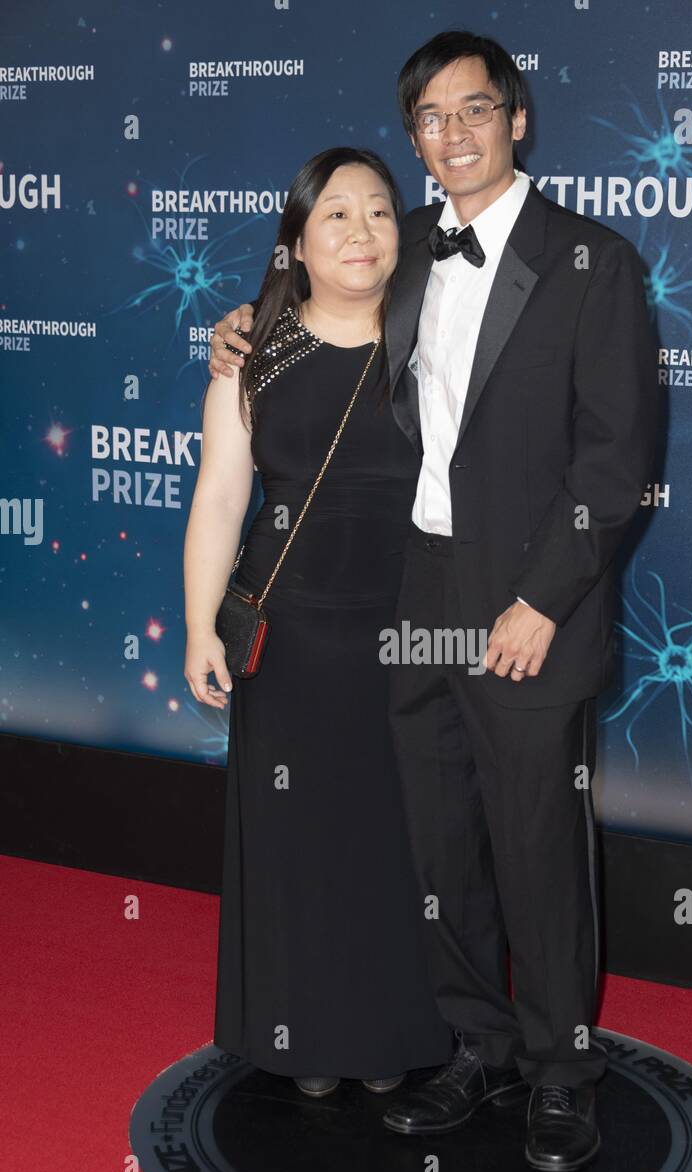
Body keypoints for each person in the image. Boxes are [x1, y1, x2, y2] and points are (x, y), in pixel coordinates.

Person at [209, 30, 657, 1172]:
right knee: (441, 840)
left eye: (471, 111)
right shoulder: (400, 244)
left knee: (535, 841)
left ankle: (562, 1071)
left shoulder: (592, 263)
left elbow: (612, 467)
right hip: (415, 591)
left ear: (516, 118)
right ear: (413, 138)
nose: (449, 135)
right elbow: (304, 292)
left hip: (526, 604)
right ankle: (477, 1046)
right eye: (428, 119)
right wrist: (240, 327)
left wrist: (543, 599)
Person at [185, 147, 452, 1099]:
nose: (360, 231)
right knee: (300, 840)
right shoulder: (255, 352)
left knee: (398, 839)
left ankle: (394, 1033)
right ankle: (302, 1037)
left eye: (379, 212)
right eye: (334, 215)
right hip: (290, 633)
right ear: (294, 242)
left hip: (408, 634)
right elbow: (220, 496)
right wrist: (197, 627)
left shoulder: (438, 338)